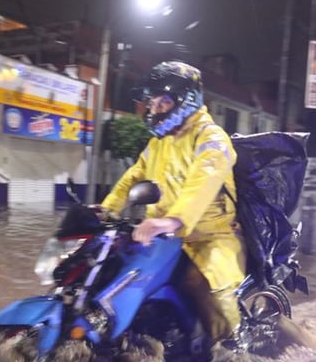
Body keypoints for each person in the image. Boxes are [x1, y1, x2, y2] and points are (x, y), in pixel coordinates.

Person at [99, 61, 245, 342]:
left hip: (210, 236)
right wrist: (106, 209)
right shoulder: (159, 143)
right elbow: (134, 176)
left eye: (163, 102)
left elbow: (205, 179)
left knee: (202, 285)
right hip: (164, 236)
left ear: (186, 100)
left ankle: (231, 348)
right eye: (153, 103)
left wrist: (173, 219)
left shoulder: (212, 137)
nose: (154, 110)